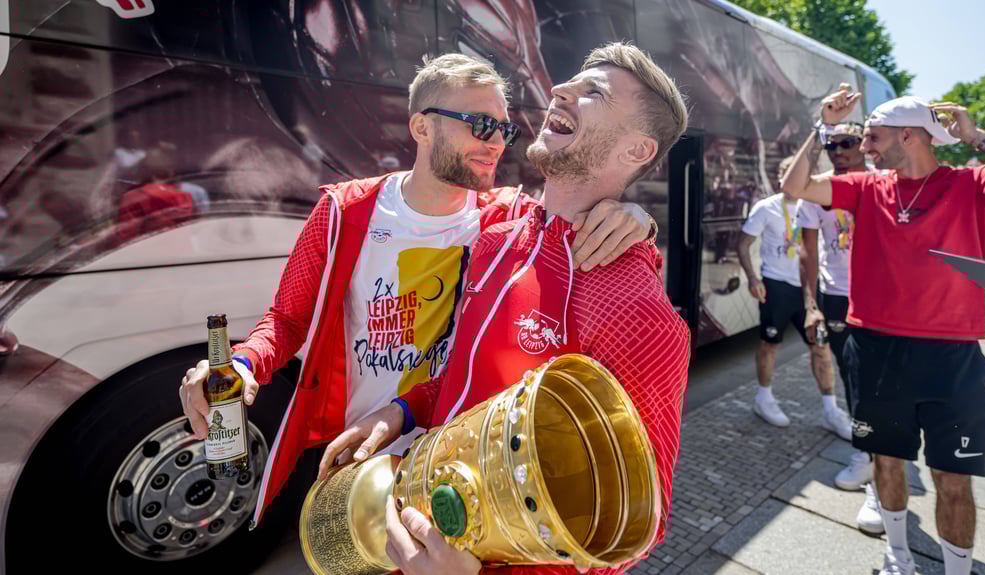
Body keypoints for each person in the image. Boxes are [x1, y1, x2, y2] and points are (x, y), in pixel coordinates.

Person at [177, 53, 658, 527]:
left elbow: (571, 219)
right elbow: (286, 321)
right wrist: (241, 363)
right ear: (421, 128)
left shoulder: (505, 218)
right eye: (478, 124)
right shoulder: (345, 212)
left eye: (504, 129)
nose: (497, 143)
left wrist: (637, 218)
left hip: (455, 464)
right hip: (359, 453)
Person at [318, 42, 690, 575]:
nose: (559, 90)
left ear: (637, 151)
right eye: (571, 81)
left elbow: (634, 530)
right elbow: (462, 378)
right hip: (410, 519)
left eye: (595, 94)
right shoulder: (496, 239)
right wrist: (400, 410)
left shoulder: (636, 309)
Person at [782, 87, 985, 575]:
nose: (865, 147)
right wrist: (820, 126)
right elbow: (795, 187)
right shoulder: (868, 188)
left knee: (953, 478)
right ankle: (898, 555)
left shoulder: (974, 182)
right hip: (875, 349)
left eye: (872, 137)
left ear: (908, 136)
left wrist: (980, 138)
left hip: (951, 359)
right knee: (886, 461)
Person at [794, 113, 883, 535]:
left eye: (849, 143)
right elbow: (808, 252)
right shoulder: (818, 191)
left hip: (882, 297)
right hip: (836, 297)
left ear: (864, 144)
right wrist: (811, 303)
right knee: (854, 380)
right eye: (833, 146)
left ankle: (880, 473)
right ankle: (867, 457)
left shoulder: (885, 182)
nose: (841, 153)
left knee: (880, 384)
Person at [736, 157, 851, 438]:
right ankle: (764, 399)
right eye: (788, 174)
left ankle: (830, 409)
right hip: (777, 286)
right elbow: (743, 243)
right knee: (770, 344)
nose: (795, 180)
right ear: (780, 177)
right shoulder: (766, 208)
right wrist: (753, 278)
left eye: (802, 174)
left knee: (820, 346)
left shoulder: (816, 204)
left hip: (810, 288)